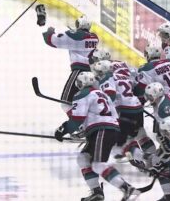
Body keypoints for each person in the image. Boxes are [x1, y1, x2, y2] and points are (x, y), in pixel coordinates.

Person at [53, 71, 140, 201]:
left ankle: (128, 189)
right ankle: (97, 192)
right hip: (108, 130)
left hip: (102, 131)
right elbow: (113, 116)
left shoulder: (82, 94)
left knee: (98, 165)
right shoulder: (103, 94)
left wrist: (62, 129)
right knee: (83, 158)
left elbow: (77, 119)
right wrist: (86, 130)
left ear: (81, 83)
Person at [91, 60, 156, 162]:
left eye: (98, 71)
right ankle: (153, 157)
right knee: (140, 134)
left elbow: (110, 95)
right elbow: (137, 87)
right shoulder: (123, 76)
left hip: (125, 112)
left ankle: (144, 159)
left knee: (117, 145)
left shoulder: (106, 78)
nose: (97, 74)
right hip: (137, 109)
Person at [42, 15, 98, 105]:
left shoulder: (75, 37)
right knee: (89, 96)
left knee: (66, 100)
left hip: (79, 72)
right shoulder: (95, 37)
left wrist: (50, 31)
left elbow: (51, 41)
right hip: (92, 72)